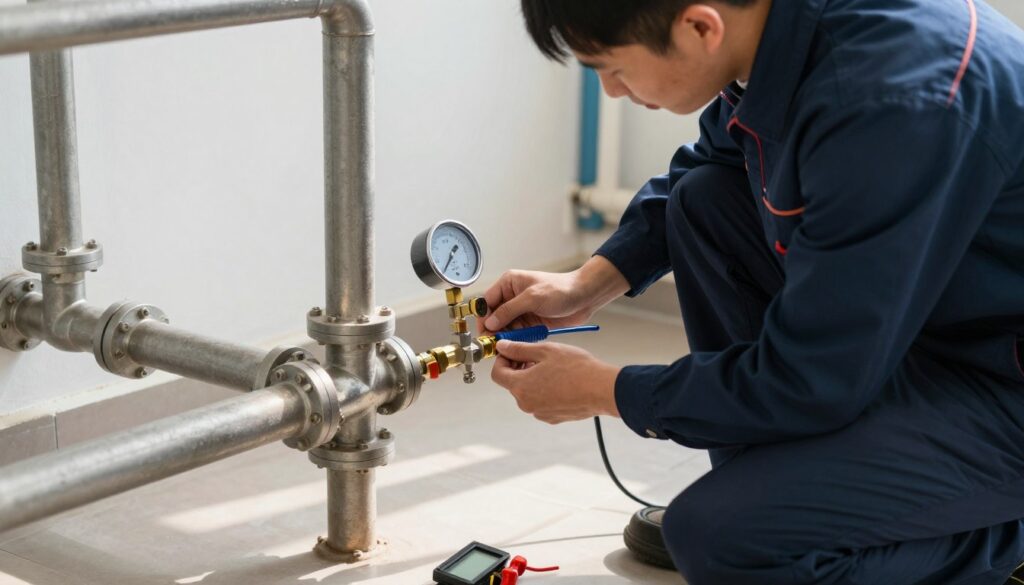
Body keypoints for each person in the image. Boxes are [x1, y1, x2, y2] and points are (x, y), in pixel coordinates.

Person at [480, 0, 1024, 583]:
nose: (611, 91)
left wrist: (607, 391)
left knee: (721, 541)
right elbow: (711, 160)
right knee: (705, 200)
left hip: (1001, 384)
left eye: (611, 67)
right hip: (926, 328)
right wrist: (583, 284)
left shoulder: (886, 101)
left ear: (698, 27)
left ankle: (1002, 541)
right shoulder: (778, 32)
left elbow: (812, 378)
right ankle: (786, 499)